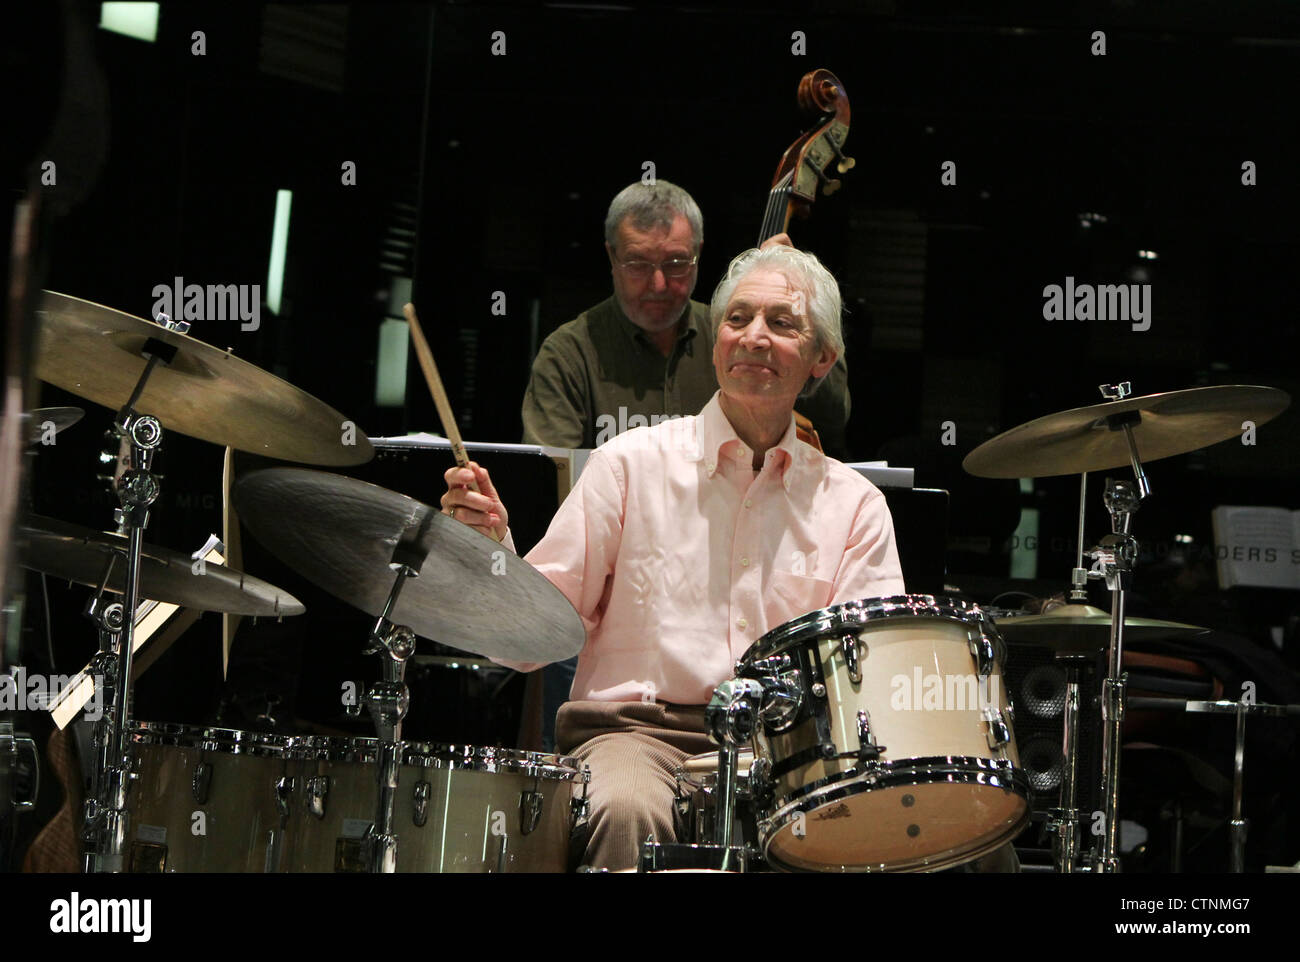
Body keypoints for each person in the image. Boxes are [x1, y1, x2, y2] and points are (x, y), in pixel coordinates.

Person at [445, 244, 903, 871]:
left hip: (785, 753)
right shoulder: (629, 466)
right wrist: (491, 551)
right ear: (716, 342)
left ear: (824, 357)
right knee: (629, 807)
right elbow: (523, 642)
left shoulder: (855, 506)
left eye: (782, 323)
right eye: (738, 319)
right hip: (637, 735)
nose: (754, 338)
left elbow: (865, 683)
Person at [520, 179, 851, 455]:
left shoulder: (733, 338)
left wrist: (805, 303)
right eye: (638, 264)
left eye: (676, 263)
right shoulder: (569, 353)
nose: (658, 284)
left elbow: (833, 415)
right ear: (612, 256)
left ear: (698, 254)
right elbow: (553, 482)